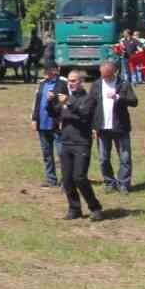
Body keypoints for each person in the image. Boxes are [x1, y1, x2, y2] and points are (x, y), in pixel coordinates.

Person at [55, 69, 105, 221]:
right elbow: (58, 115)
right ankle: (74, 208)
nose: (71, 84)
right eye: (69, 81)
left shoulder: (88, 98)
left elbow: (84, 115)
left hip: (81, 143)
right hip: (66, 141)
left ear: (81, 81)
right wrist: (51, 102)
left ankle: (95, 207)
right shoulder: (66, 98)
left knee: (80, 177)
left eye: (74, 81)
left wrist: (69, 104)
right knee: (67, 178)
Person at [93, 57, 138, 194]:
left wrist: (119, 98)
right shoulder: (96, 85)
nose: (104, 78)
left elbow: (134, 101)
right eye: (102, 75)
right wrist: (93, 127)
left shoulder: (123, 84)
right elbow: (91, 105)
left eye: (107, 75)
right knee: (103, 158)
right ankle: (109, 181)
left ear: (114, 72)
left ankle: (123, 183)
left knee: (124, 157)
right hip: (102, 127)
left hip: (120, 127)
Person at [31, 58, 65, 188]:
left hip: (56, 123)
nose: (45, 72)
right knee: (46, 153)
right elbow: (37, 102)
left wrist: (62, 119)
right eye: (44, 70)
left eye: (48, 70)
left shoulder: (62, 83)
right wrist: (34, 119)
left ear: (54, 71)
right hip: (42, 123)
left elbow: (65, 102)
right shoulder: (41, 83)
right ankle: (51, 178)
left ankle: (65, 179)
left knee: (61, 153)